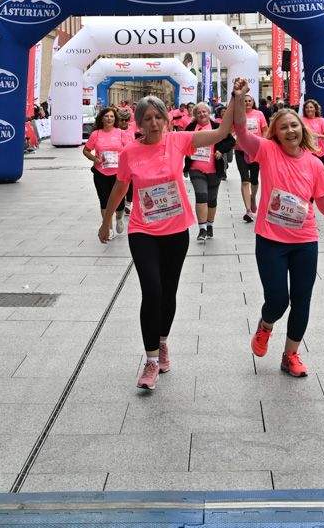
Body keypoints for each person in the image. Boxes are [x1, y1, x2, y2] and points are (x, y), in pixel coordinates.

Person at [228, 80, 324, 378]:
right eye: (284, 127)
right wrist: (239, 99)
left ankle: (290, 355)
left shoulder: (314, 165)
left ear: (303, 129)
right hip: (271, 240)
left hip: (305, 241)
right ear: (275, 133)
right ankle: (266, 325)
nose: (290, 130)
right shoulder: (266, 151)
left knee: (302, 300)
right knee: (278, 300)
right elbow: (240, 132)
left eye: (294, 125)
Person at [98, 95, 236, 391]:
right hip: (142, 230)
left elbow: (222, 132)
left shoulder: (179, 141)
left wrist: (236, 98)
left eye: (158, 117)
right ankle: (150, 361)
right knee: (152, 290)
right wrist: (107, 220)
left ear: (166, 119)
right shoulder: (130, 152)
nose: (154, 123)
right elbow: (120, 186)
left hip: (175, 230)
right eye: (147, 118)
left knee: (169, 291)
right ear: (139, 122)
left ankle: (162, 343)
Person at [83, 106, 129, 237]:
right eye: (106, 116)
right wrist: (95, 159)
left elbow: (129, 150)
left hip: (118, 173)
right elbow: (86, 150)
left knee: (119, 202)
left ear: (115, 119)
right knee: (104, 200)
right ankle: (107, 227)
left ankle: (119, 218)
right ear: (102, 118)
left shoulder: (121, 133)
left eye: (112, 116)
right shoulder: (96, 134)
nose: (109, 118)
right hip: (100, 173)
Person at [185, 102, 224, 243]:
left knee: (212, 200)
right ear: (195, 115)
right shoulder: (190, 128)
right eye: (199, 112)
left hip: (214, 169)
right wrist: (187, 152)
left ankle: (210, 225)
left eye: (204, 112)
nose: (202, 114)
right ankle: (202, 229)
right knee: (201, 195)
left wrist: (221, 150)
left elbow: (230, 141)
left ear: (209, 113)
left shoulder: (217, 127)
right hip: (196, 168)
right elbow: (182, 144)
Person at [232, 94, 269, 225]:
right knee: (244, 180)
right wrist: (234, 138)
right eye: (245, 101)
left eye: (249, 101)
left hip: (255, 150)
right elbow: (230, 131)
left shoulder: (259, 114)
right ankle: (248, 210)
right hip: (240, 150)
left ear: (253, 102)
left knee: (254, 179)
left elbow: (265, 130)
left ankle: (253, 197)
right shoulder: (237, 115)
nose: (247, 103)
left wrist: (263, 142)